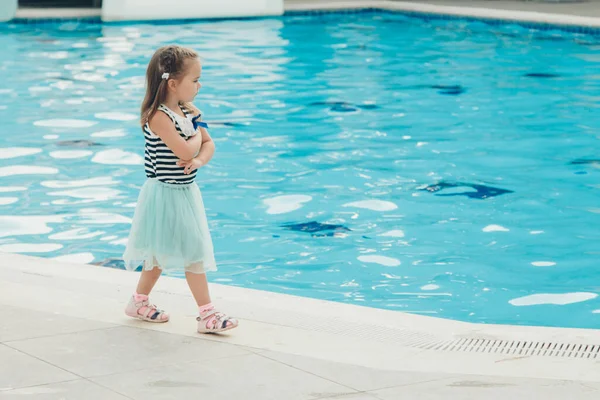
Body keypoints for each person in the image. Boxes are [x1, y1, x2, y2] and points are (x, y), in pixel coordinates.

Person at [122, 45, 238, 333]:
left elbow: (207, 146)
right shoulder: (158, 116)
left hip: (185, 193)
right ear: (173, 84)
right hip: (164, 195)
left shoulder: (187, 111)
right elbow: (185, 149)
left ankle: (138, 301)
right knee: (192, 253)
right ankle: (207, 314)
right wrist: (196, 140)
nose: (200, 85)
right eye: (195, 80)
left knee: (162, 255)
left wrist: (199, 158)